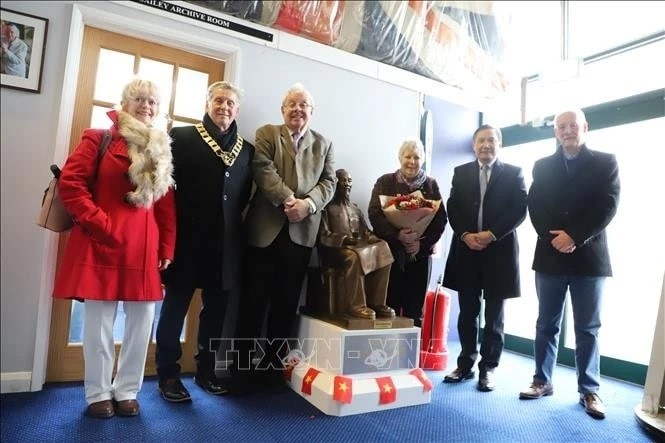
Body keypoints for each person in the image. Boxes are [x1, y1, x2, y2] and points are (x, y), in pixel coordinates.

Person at [52, 78, 176, 418]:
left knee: (141, 323)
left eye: (152, 101)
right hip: (101, 241)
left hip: (143, 247)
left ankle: (127, 391)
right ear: (124, 103)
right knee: (98, 323)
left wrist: (167, 245)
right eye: (139, 99)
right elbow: (71, 184)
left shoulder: (161, 147)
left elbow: (164, 205)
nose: (146, 106)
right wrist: (100, 222)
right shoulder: (100, 138)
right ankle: (97, 393)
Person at [155, 81, 255, 402]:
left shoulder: (247, 150)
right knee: (174, 310)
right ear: (207, 103)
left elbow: (242, 199)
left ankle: (205, 372)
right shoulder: (181, 137)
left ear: (237, 110)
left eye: (230, 103)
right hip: (186, 242)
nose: (224, 107)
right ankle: (168, 375)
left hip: (226, 247)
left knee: (215, 314)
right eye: (218, 100)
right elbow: (165, 189)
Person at [519, 108, 620, 419]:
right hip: (550, 255)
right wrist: (556, 239)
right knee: (545, 324)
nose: (567, 130)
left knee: (588, 328)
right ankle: (542, 381)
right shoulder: (542, 165)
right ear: (555, 132)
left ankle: (589, 391)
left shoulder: (606, 162)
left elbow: (609, 204)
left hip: (589, 258)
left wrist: (575, 236)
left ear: (584, 127)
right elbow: (534, 205)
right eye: (561, 126)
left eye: (572, 125)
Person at [237, 83, 336, 379]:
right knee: (252, 302)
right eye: (291, 104)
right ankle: (242, 371)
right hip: (263, 233)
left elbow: (329, 183)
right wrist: (290, 200)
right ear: (282, 110)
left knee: (285, 304)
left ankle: (271, 371)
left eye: (303, 104)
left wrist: (308, 206)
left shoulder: (325, 144)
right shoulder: (267, 133)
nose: (297, 109)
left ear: (312, 111)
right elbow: (262, 168)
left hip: (301, 235)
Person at [441, 124, 527, 392]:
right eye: (481, 141)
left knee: (494, 317)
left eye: (491, 140)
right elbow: (452, 207)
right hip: (467, 251)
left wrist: (491, 234)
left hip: (498, 254)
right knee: (467, 312)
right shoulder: (461, 172)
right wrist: (466, 234)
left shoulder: (514, 173)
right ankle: (465, 364)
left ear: (498, 144)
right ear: (474, 145)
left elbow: (519, 209)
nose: (486, 145)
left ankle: (487, 369)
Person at [368, 138, 447, 327]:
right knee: (388, 307)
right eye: (407, 156)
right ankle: (387, 354)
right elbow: (375, 214)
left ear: (423, 160)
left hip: (419, 257)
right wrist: (398, 236)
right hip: (392, 255)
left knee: (414, 312)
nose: (412, 161)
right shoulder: (385, 182)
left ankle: (410, 356)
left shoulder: (431, 185)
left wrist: (422, 243)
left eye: (417, 157)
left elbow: (440, 219)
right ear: (399, 158)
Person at [318, 169, 395, 320]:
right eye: (343, 180)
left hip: (356, 248)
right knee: (353, 257)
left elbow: (365, 232)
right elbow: (323, 236)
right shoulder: (326, 208)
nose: (347, 184)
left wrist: (373, 238)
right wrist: (344, 239)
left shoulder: (355, 209)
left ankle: (377, 302)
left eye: (349, 181)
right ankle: (356, 305)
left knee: (384, 247)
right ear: (335, 183)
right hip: (335, 251)